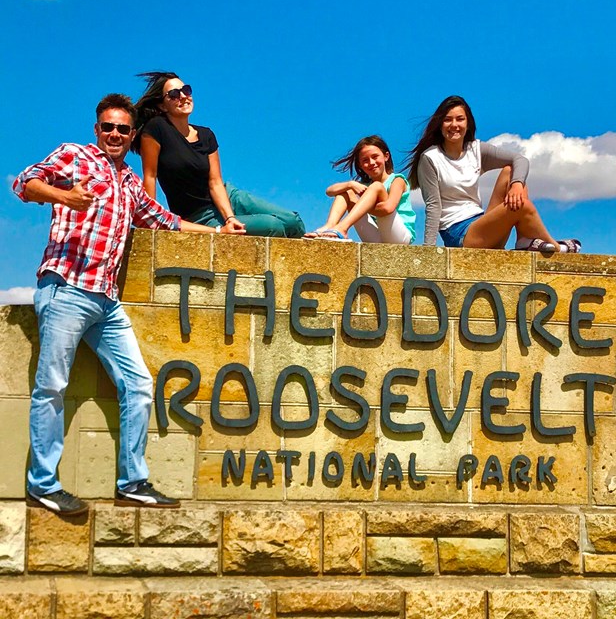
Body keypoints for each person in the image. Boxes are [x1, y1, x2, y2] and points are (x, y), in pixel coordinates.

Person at [12, 94, 233, 516]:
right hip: (67, 289)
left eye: (122, 129)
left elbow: (164, 220)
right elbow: (24, 184)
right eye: (107, 127)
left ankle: (131, 481)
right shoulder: (74, 157)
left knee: (138, 384)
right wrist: (64, 198)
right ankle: (43, 483)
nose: (114, 134)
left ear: (132, 136)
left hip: (106, 302)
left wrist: (220, 234)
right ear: (97, 130)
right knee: (52, 387)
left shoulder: (130, 181)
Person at [133, 72, 305, 238]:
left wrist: (230, 218)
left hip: (228, 197)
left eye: (186, 90)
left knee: (293, 221)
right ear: (162, 105)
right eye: (174, 94)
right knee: (272, 226)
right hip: (199, 215)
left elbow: (215, 182)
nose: (183, 96)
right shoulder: (156, 128)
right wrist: (150, 220)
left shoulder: (206, 135)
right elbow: (150, 175)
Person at [407, 95, 581, 252]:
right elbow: (433, 206)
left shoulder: (476, 149)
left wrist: (517, 184)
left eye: (460, 119)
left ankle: (523, 239)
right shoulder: (430, 158)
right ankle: (558, 248)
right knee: (523, 205)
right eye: (447, 120)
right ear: (440, 125)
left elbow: (520, 160)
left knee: (511, 172)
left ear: (468, 124)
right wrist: (428, 250)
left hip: (481, 222)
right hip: (459, 233)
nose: (454, 125)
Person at [304, 135, 416, 243]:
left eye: (375, 157)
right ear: (360, 165)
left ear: (386, 156)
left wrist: (360, 206)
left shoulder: (397, 180)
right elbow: (329, 191)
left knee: (377, 186)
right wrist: (350, 184)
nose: (371, 163)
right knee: (347, 191)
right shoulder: (364, 186)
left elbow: (388, 208)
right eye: (365, 160)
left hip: (399, 237)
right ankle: (330, 225)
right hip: (376, 237)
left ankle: (342, 228)